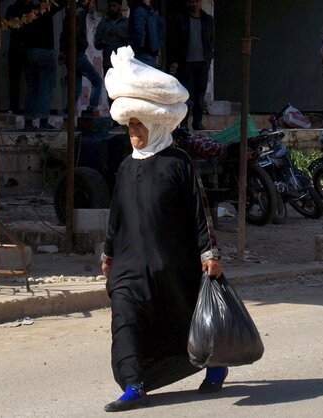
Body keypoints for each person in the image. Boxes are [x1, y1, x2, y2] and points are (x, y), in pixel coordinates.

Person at [100, 46, 226, 412]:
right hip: (128, 265)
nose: (133, 132)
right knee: (124, 318)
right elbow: (116, 214)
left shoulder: (178, 163)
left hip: (172, 262)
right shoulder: (125, 167)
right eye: (130, 126)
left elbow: (199, 213)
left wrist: (210, 254)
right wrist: (107, 253)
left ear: (155, 124)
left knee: (183, 316)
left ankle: (214, 361)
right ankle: (134, 383)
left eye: (138, 125)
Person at [168, 0, 215, 131]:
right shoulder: (181, 20)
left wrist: (209, 58)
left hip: (203, 62)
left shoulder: (207, 20)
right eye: (192, 1)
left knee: (200, 94)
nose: (194, 4)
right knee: (186, 94)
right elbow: (175, 41)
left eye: (197, 1)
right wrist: (175, 60)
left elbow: (211, 39)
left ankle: (197, 122)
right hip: (185, 63)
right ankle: (183, 123)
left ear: (200, 3)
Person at [21, 1, 65, 130]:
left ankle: (28, 121)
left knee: (31, 88)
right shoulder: (44, 9)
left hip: (30, 52)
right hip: (45, 52)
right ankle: (43, 121)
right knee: (45, 88)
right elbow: (60, 3)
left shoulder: (26, 11)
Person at [59, 0, 103, 114]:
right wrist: (80, 46)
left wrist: (64, 51)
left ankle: (68, 117)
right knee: (97, 81)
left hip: (71, 53)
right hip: (77, 53)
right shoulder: (80, 12)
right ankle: (92, 109)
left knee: (75, 90)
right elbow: (77, 33)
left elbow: (65, 33)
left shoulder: (72, 11)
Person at [5, 0, 35, 114]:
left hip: (26, 47)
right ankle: (15, 106)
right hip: (18, 47)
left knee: (28, 80)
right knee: (16, 79)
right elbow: (9, 24)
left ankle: (20, 107)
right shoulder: (13, 9)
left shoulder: (32, 8)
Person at [94, 0, 129, 76]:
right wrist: (102, 43)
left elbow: (132, 40)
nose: (111, 8)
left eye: (114, 5)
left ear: (120, 6)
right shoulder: (103, 24)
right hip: (108, 64)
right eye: (110, 6)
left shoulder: (127, 22)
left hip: (123, 63)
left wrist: (118, 34)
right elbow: (96, 44)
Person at [127, 0, 162, 67]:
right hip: (148, 52)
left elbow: (139, 33)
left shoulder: (140, 10)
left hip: (144, 53)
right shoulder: (149, 11)